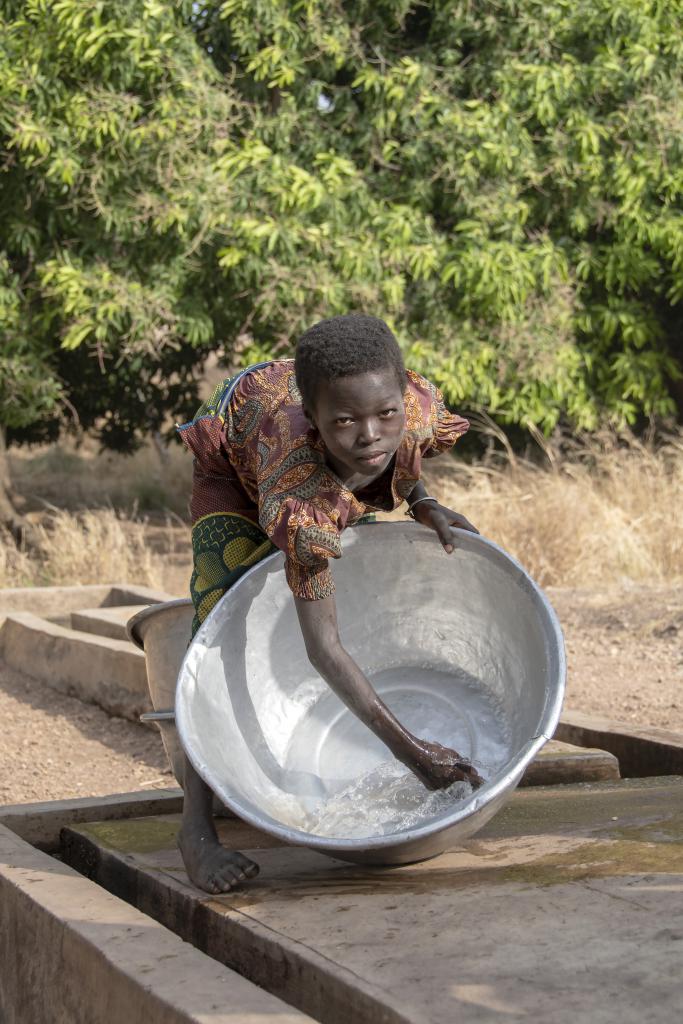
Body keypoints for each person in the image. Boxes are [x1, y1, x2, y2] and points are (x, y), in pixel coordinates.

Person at [177, 313, 481, 893]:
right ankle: (194, 831)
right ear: (315, 421)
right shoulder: (300, 494)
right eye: (345, 421)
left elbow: (399, 447)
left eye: (383, 413)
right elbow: (323, 648)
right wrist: (414, 754)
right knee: (215, 627)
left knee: (375, 465)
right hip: (236, 455)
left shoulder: (405, 409)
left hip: (300, 426)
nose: (369, 435)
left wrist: (423, 500)